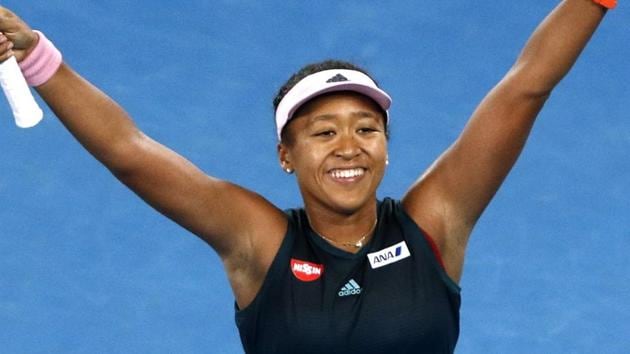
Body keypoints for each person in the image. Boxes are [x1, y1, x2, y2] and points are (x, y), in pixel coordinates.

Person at [0, 1, 617, 353]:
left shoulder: (436, 220)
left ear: (386, 147)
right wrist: (36, 55)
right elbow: (129, 152)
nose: (348, 147)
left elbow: (524, 89)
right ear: (285, 155)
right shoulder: (258, 243)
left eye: (366, 129)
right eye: (323, 132)